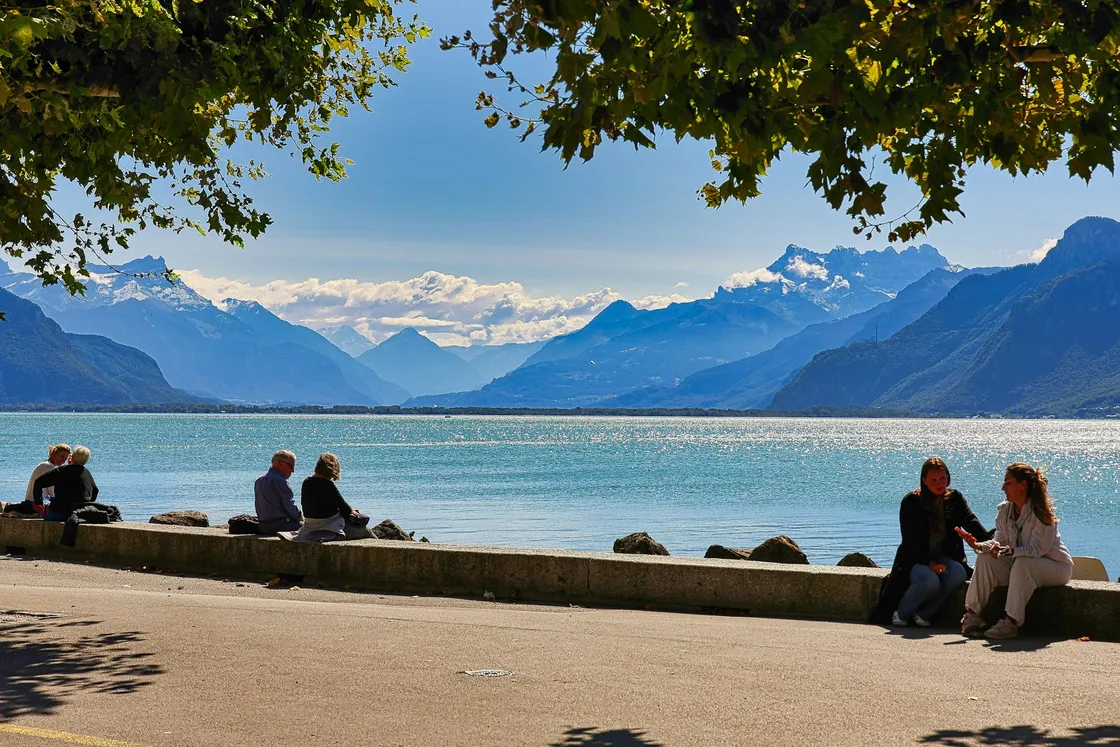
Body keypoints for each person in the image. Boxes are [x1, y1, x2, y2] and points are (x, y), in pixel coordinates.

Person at [959, 462, 1073, 640]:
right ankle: (973, 614)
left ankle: (1010, 622)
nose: (1003, 487)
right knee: (985, 559)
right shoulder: (1005, 511)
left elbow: (1037, 550)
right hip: (1021, 565)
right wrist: (978, 545)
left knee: (1023, 563)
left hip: (1056, 568)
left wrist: (1010, 551)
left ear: (1023, 485)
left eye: (1008, 483)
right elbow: (999, 542)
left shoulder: (1042, 513)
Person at [877, 457, 990, 627]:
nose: (939, 484)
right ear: (924, 480)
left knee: (958, 573)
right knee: (930, 580)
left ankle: (923, 614)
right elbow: (910, 542)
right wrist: (929, 563)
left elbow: (970, 521)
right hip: (915, 559)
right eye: (934, 480)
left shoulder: (954, 498)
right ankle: (901, 613)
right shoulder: (911, 502)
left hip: (944, 556)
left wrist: (991, 542)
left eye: (943, 478)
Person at [284, 453, 371, 543]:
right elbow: (345, 509)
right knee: (366, 531)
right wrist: (353, 512)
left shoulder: (306, 482)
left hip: (310, 526)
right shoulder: (327, 485)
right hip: (328, 528)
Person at [34, 445, 98, 521]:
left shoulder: (61, 471)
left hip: (59, 513)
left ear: (73, 457)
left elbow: (38, 482)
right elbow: (95, 490)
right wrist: (88, 504)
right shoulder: (86, 473)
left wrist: (39, 502)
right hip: (80, 512)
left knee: (44, 508)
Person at [254, 450, 303, 534]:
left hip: (262, 526)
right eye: (291, 466)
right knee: (309, 529)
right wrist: (301, 517)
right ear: (280, 464)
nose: (293, 471)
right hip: (279, 526)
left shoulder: (259, 481)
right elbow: (290, 507)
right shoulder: (280, 481)